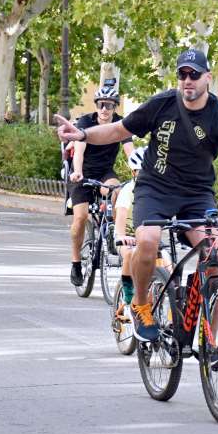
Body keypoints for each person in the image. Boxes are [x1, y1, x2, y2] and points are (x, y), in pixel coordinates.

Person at [54, 49, 218, 342]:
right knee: (147, 241)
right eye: (182, 74)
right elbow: (118, 130)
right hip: (155, 189)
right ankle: (141, 305)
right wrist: (83, 135)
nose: (187, 80)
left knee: (216, 258)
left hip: (196, 194)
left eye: (194, 74)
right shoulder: (162, 104)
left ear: (207, 77)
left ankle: (212, 339)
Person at [67, 84, 135, 287]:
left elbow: (130, 151)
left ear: (115, 107)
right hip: (82, 174)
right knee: (80, 217)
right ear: (96, 105)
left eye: (110, 106)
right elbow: (78, 152)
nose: (105, 109)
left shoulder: (120, 124)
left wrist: (139, 171)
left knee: (116, 190)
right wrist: (77, 171)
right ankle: (76, 262)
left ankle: (114, 233)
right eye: (101, 105)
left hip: (105, 173)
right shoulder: (85, 122)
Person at [111, 146, 146, 319]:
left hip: (146, 239)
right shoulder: (127, 191)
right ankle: (127, 295)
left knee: (167, 262)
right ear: (133, 172)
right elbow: (121, 218)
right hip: (126, 237)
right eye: (140, 172)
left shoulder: (157, 192)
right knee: (131, 255)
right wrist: (122, 235)